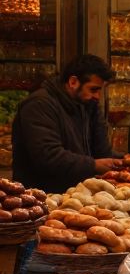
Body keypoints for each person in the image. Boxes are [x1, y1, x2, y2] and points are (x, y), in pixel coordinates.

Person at [12, 54, 119, 193]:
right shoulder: (39, 105)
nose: (97, 96)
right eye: (93, 89)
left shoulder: (88, 105)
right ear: (73, 82)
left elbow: (103, 152)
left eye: (99, 90)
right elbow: (48, 156)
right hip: (40, 198)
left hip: (78, 196)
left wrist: (127, 159)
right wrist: (93, 165)